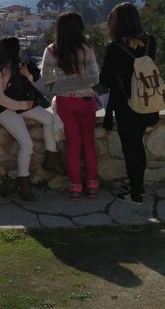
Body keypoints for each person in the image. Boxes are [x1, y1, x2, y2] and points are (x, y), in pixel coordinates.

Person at [0, 36, 62, 202]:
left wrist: (27, 76)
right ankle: (23, 183)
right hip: (2, 108)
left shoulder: (15, 66)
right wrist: (22, 105)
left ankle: (51, 157)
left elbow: (25, 85)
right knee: (27, 144)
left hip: (17, 102)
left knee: (49, 119)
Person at [99, 2, 160, 205]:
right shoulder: (149, 41)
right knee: (138, 145)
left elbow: (106, 79)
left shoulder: (114, 48)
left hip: (126, 104)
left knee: (130, 147)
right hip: (147, 100)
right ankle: (137, 185)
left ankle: (135, 194)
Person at [41, 12, 100, 201]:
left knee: (73, 145)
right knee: (89, 142)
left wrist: (60, 84)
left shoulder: (51, 51)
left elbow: (46, 77)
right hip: (86, 100)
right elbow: (95, 77)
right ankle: (92, 184)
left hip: (65, 101)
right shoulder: (87, 50)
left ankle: (75, 187)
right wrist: (81, 80)